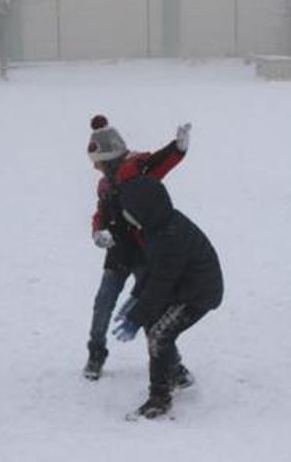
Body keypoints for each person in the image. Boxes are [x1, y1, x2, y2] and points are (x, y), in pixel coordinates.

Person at [84, 115, 190, 381]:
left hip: (146, 252)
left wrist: (177, 147)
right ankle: (96, 352)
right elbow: (101, 212)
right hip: (118, 253)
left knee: (150, 308)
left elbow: (161, 161)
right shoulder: (105, 184)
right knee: (103, 303)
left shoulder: (139, 169)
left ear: (109, 158)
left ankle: (173, 365)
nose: (95, 168)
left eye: (98, 163)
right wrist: (98, 231)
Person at [111, 175, 223, 420]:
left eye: (129, 211)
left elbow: (162, 283)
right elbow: (153, 271)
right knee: (155, 325)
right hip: (181, 287)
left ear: (144, 208)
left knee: (159, 333)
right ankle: (176, 373)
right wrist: (135, 298)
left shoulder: (169, 235)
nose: (126, 216)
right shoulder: (156, 227)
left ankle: (159, 399)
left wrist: (136, 317)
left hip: (198, 293)